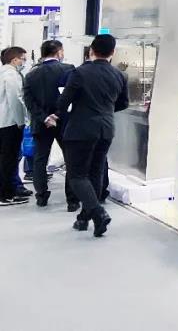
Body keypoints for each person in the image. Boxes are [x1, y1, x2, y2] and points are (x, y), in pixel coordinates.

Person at [44, 34, 127, 235]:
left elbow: (63, 101)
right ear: (112, 52)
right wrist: (104, 111)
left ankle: (98, 213)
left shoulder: (79, 72)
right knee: (96, 173)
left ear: (91, 50)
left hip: (80, 129)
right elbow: (123, 103)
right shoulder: (120, 75)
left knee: (77, 175)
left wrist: (57, 114)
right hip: (106, 129)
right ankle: (83, 219)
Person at [23, 40, 77, 209]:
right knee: (71, 159)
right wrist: (57, 114)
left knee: (40, 159)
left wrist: (45, 118)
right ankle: (72, 199)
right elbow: (71, 95)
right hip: (65, 121)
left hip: (41, 123)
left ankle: (41, 196)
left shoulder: (31, 74)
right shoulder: (69, 69)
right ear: (59, 52)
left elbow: (28, 101)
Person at [0, 47, 29, 207]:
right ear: (14, 60)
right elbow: (16, 99)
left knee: (4, 158)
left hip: (2, 122)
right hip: (10, 122)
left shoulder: (1, 72)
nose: (24, 62)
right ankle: (6, 195)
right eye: (23, 59)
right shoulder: (11, 75)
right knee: (9, 160)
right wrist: (20, 121)